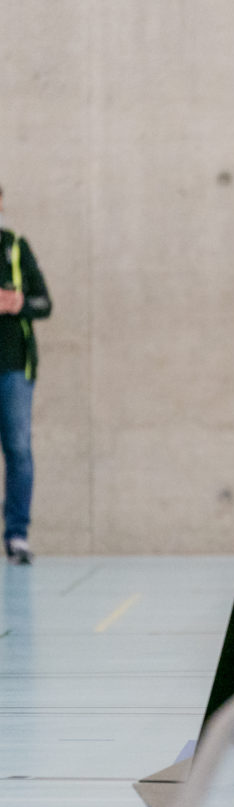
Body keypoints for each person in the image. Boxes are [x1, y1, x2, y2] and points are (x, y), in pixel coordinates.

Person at [0, 184, 52, 566]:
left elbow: (44, 302)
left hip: (15, 368)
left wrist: (19, 303)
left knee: (18, 449)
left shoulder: (16, 246)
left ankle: (16, 536)